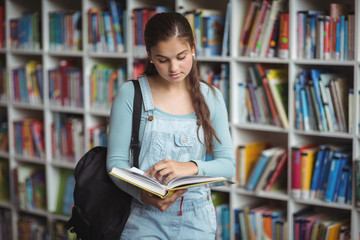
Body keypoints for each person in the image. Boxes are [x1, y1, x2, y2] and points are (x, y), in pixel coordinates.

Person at [106, 12, 235, 239]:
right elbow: (115, 164)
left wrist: (191, 167)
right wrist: (142, 194)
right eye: (163, 60)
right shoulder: (131, 94)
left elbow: (228, 166)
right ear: (150, 56)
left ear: (193, 48)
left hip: (197, 218)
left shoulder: (211, 97)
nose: (174, 67)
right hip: (143, 216)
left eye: (181, 56)